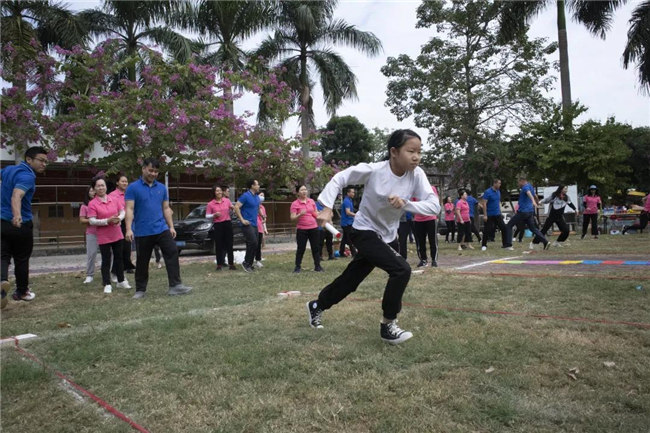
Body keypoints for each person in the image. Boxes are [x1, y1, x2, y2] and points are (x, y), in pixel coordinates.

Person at [306, 129, 440, 345]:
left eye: (419, 152)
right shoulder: (375, 170)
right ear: (394, 152)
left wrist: (406, 204)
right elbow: (341, 177)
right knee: (401, 269)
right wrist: (327, 207)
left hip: (388, 234)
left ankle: (317, 305)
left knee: (351, 280)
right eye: (411, 151)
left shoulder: (417, 174)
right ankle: (388, 325)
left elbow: (434, 206)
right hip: (364, 231)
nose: (416, 157)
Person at [125, 158, 192, 299]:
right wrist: (129, 229)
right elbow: (129, 209)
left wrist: (171, 226)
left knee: (172, 251)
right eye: (150, 170)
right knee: (142, 260)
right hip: (143, 230)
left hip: (161, 228)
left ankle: (175, 286)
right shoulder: (132, 188)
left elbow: (166, 208)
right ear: (143, 169)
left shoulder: (162, 188)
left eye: (156, 171)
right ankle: (140, 290)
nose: (153, 174)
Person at [1, 146, 48, 307]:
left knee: (3, 256)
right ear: (29, 159)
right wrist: (17, 215)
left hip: (2, 222)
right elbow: (17, 195)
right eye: (41, 160)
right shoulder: (27, 176)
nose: (44, 164)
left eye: (46, 162)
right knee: (21, 259)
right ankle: (22, 291)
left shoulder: (8, 170)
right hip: (20, 223)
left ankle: (2, 282)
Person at [87, 177, 131, 294]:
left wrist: (118, 219)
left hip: (117, 233)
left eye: (103, 185)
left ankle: (121, 280)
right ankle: (107, 283)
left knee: (119, 258)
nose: (101, 188)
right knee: (106, 260)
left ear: (106, 187)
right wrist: (107, 221)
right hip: (103, 236)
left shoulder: (113, 199)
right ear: (94, 188)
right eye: (98, 186)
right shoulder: (92, 203)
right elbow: (91, 220)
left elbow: (122, 212)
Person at [505, 175, 549, 250]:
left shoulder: (525, 187)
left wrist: (533, 201)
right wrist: (537, 202)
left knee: (509, 225)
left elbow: (529, 194)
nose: (518, 184)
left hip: (523, 212)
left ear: (522, 181)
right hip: (530, 212)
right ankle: (545, 241)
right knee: (533, 228)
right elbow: (534, 195)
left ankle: (508, 245)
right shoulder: (530, 186)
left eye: (518, 182)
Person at [291, 185, 323, 273]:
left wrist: (320, 215)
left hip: (314, 228)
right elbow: (292, 218)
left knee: (315, 248)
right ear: (298, 193)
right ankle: (297, 267)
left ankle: (318, 266)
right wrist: (300, 214)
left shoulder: (311, 201)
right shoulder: (295, 204)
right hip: (302, 229)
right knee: (301, 248)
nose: (304, 191)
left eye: (305, 190)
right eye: (302, 190)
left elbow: (315, 213)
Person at [109, 174, 136, 278]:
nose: (125, 183)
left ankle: (123, 269)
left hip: (128, 223)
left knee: (127, 249)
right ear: (117, 182)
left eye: (126, 181)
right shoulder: (112, 195)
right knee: (119, 249)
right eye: (122, 181)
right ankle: (115, 272)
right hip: (118, 223)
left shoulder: (129, 194)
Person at [206, 185, 235, 271]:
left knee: (230, 244)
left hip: (227, 223)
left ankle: (231, 264)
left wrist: (233, 209)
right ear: (214, 193)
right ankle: (219, 264)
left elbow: (232, 208)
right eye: (217, 191)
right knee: (219, 245)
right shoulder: (210, 204)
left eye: (220, 190)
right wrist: (214, 215)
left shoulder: (227, 201)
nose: (219, 192)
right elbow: (207, 216)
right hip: (218, 225)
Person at [233, 179, 260, 273]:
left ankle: (249, 264)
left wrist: (262, 215)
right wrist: (242, 220)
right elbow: (236, 207)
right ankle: (246, 263)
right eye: (257, 184)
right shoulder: (245, 196)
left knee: (255, 244)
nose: (259, 186)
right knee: (252, 242)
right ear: (252, 186)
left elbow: (257, 207)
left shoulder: (257, 197)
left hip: (255, 223)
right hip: (247, 224)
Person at [480, 179, 512, 251]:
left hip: (497, 214)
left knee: (504, 228)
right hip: (490, 214)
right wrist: (485, 215)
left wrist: (500, 212)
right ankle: (484, 245)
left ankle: (505, 244)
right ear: (494, 184)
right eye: (499, 183)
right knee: (487, 230)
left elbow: (497, 203)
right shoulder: (488, 192)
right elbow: (484, 204)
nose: (500, 185)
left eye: (500, 183)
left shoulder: (498, 192)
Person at [413, 185, 439, 267]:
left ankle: (434, 260)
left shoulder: (431, 188)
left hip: (430, 218)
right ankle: (423, 259)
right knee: (420, 241)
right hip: (418, 219)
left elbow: (435, 201)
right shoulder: (414, 189)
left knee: (433, 240)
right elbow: (413, 203)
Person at [79, 186, 99, 284]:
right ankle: (89, 275)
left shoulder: (100, 203)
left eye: (94, 190)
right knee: (91, 254)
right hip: (92, 233)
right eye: (91, 190)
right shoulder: (84, 206)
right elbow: (82, 220)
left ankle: (111, 273)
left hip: (104, 232)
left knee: (110, 253)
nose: (93, 192)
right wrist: (92, 221)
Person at [339, 187, 358, 257]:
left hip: (349, 222)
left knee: (344, 239)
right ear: (348, 193)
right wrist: (356, 215)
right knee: (350, 238)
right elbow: (348, 212)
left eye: (354, 192)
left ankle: (341, 252)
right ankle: (354, 253)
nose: (353, 193)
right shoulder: (346, 201)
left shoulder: (350, 200)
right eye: (352, 192)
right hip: (346, 223)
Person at [255, 193, 268, 268]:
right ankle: (250, 260)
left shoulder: (262, 207)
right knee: (253, 244)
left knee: (258, 245)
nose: (262, 197)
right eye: (260, 195)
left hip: (260, 227)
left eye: (263, 195)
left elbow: (264, 217)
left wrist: (265, 228)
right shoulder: (253, 205)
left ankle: (258, 260)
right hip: (253, 226)